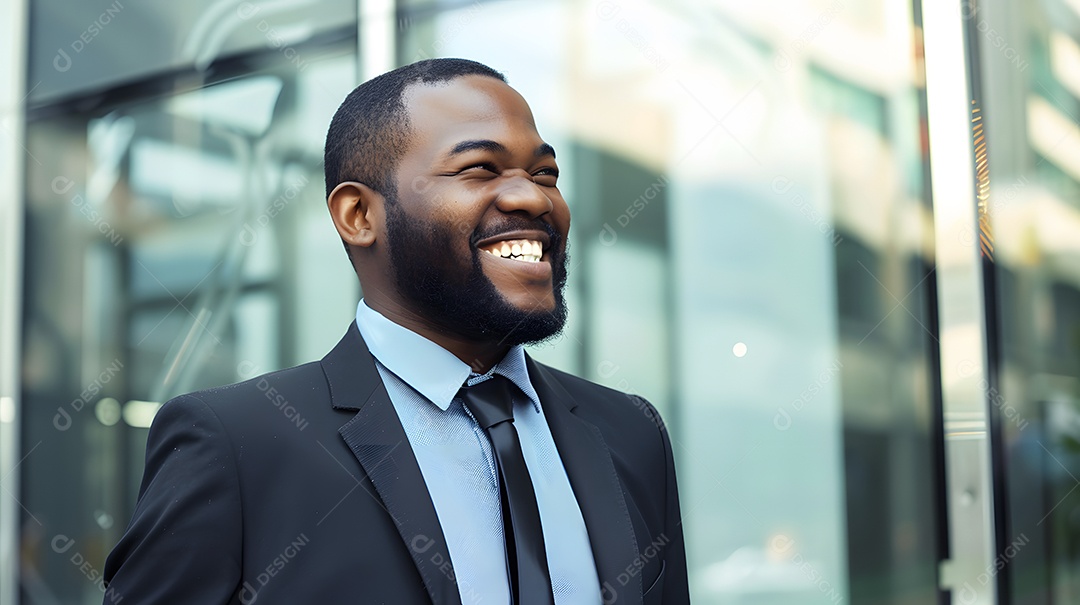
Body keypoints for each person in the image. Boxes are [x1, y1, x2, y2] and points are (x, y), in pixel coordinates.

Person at [103, 58, 689, 605]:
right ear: (359, 215)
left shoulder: (629, 432)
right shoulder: (237, 444)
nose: (532, 197)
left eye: (545, 173)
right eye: (479, 169)